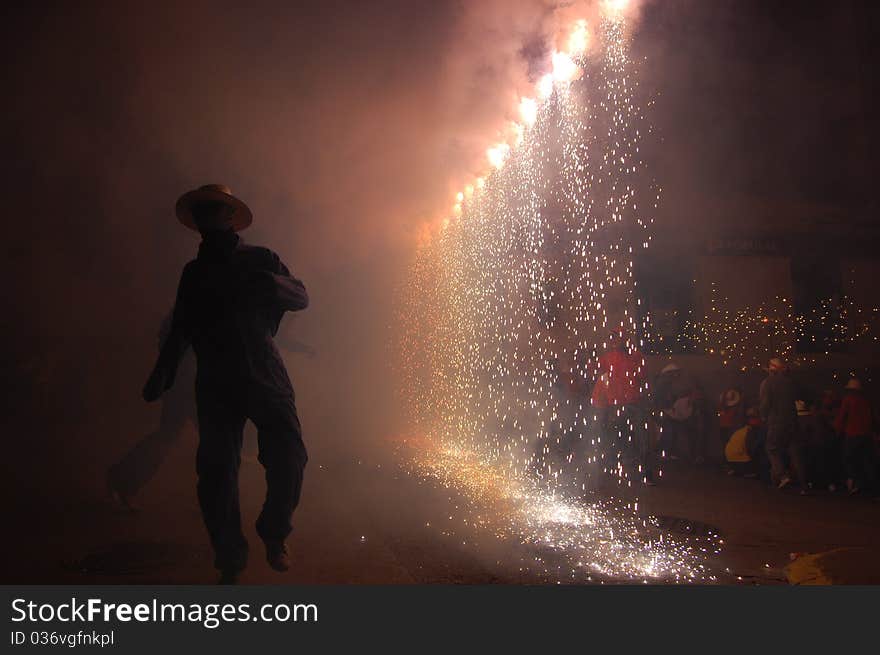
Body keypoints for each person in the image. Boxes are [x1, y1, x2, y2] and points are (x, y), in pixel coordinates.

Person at [143, 184, 309, 584]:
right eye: (202, 213)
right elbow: (182, 326)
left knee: (289, 457)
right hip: (216, 379)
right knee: (217, 472)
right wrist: (162, 371)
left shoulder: (260, 259)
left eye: (214, 211)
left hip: (264, 371)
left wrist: (268, 285)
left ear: (230, 217)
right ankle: (230, 559)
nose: (208, 219)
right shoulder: (195, 273)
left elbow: (300, 295)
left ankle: (273, 532)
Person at [591, 334, 654, 485]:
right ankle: (633, 472)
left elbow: (642, 376)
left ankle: (643, 472)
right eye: (614, 339)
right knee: (626, 439)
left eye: (618, 339)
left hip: (631, 404)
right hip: (621, 405)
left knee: (637, 439)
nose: (616, 342)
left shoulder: (634, 356)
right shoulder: (610, 357)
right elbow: (601, 378)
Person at [759, 357, 807, 493]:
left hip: (776, 422)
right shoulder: (791, 382)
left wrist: (763, 416)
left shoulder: (767, 383)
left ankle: (782, 475)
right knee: (795, 453)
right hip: (792, 422)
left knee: (772, 449)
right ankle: (804, 485)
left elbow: (765, 404)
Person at [834, 378, 875, 495]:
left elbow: (842, 417)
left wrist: (837, 430)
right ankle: (871, 487)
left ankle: (855, 482)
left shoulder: (848, 400)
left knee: (849, 459)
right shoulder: (866, 401)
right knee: (866, 461)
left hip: (852, 434)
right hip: (866, 435)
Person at [717, 388, 745, 464]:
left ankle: (727, 460)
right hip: (729, 428)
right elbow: (718, 415)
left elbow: (718, 415)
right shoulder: (734, 408)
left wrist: (722, 414)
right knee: (727, 444)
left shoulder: (724, 407)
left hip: (726, 427)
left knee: (726, 444)